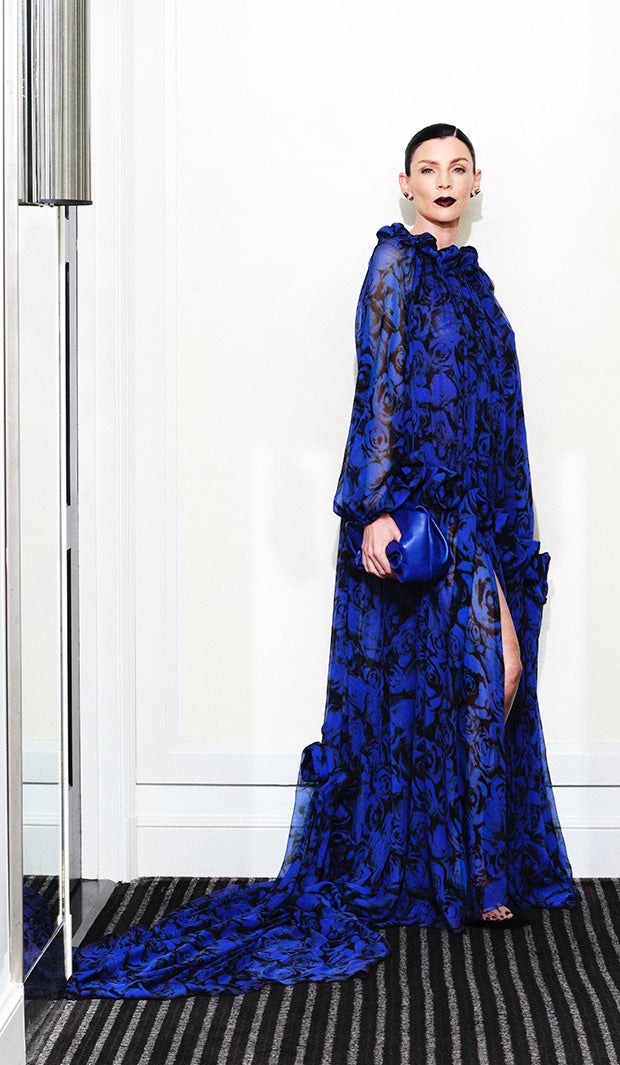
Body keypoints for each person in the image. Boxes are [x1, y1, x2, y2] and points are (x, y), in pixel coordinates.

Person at [66, 123, 576, 999]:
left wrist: (506, 535)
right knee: (465, 682)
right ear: (405, 183)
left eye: (458, 168)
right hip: (416, 514)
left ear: (476, 183)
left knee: (491, 678)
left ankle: (466, 874)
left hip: (476, 516)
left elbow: (499, 416)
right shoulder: (393, 265)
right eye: (428, 168)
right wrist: (371, 509)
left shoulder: (478, 285)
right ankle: (482, 886)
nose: (443, 180)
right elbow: (378, 382)